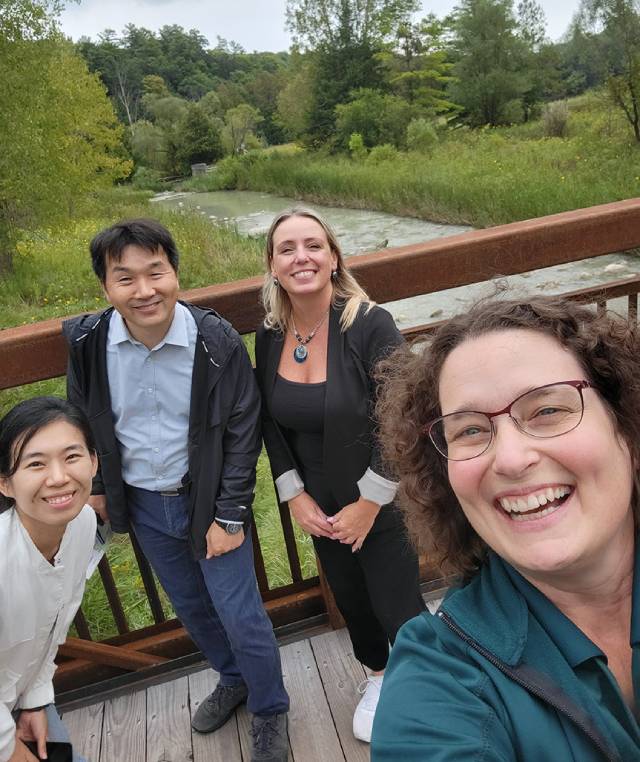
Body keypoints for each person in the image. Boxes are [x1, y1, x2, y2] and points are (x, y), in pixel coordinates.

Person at [371, 295, 640, 761]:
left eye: (548, 411)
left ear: (627, 429)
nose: (512, 460)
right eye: (470, 430)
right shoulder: (440, 679)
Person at [63, 218, 289, 762]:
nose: (144, 291)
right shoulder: (88, 341)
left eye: (155, 272)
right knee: (190, 605)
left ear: (175, 272)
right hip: (141, 502)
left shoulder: (213, 340)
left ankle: (270, 708)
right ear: (106, 287)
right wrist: (94, 485)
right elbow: (79, 415)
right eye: (125, 278)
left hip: (207, 499)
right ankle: (232, 679)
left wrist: (230, 515)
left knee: (240, 611)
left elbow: (243, 429)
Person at [255, 207, 425, 743]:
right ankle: (377, 676)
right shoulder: (268, 334)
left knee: (400, 603)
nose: (301, 256)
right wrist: (294, 496)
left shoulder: (370, 323)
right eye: (287, 248)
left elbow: (403, 416)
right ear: (273, 266)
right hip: (319, 503)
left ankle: (429, 682)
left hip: (381, 494)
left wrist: (370, 503)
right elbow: (267, 421)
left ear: (332, 258)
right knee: (351, 598)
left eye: (313, 245)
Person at [0, 397, 97, 762]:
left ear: (94, 461)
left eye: (72, 457)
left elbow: (55, 621)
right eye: (36, 464)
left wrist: (35, 700)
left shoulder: (82, 523)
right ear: (5, 484)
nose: (59, 478)